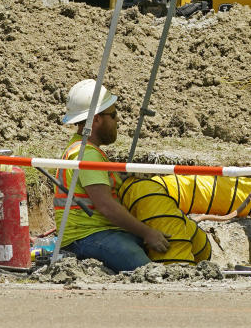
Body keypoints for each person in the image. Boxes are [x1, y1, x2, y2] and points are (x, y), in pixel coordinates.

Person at [54, 79, 169, 272]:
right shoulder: (87, 154)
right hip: (87, 236)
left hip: (96, 232)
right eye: (113, 114)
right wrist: (147, 233)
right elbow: (107, 207)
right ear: (97, 119)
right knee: (146, 269)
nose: (117, 120)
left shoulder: (83, 148)